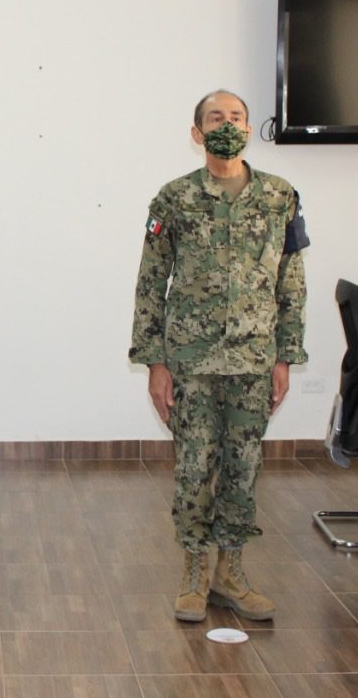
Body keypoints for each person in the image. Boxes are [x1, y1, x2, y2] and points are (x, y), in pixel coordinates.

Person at [130, 89, 308, 623]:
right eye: (215, 118)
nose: (225, 124)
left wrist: (285, 356)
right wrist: (154, 361)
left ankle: (230, 572)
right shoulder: (173, 199)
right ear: (197, 132)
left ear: (249, 129)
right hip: (191, 361)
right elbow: (150, 282)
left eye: (235, 117)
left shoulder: (281, 197)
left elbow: (291, 283)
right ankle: (193, 572)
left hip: (254, 360)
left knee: (243, 468)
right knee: (193, 467)